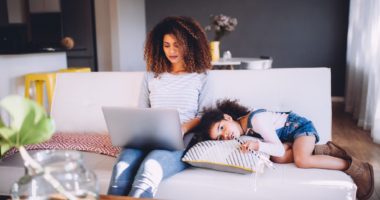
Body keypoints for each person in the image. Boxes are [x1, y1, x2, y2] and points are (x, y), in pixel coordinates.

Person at [107, 16, 212, 198]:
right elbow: (142, 112)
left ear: (190, 44)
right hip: (146, 138)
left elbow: (204, 115)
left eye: (177, 44)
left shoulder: (202, 77)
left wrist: (182, 128)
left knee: (149, 169)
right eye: (167, 45)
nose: (171, 50)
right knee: (120, 168)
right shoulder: (151, 76)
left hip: (181, 141)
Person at [197, 99, 374, 200]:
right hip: (287, 138)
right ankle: (321, 150)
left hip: (300, 128)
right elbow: (278, 154)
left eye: (221, 127)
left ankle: (356, 167)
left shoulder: (255, 121)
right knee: (277, 159)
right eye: (219, 138)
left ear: (227, 117)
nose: (225, 135)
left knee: (302, 160)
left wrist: (258, 146)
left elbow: (279, 150)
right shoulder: (243, 129)